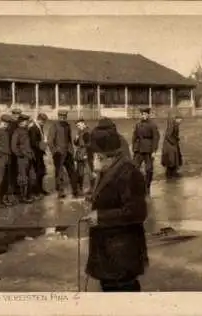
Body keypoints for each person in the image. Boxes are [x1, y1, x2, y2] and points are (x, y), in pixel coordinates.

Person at [82, 120, 149, 292]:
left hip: (121, 257)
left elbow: (137, 212)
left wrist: (100, 217)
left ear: (101, 156)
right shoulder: (109, 170)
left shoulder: (128, 173)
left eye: (92, 156)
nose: (90, 161)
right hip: (110, 255)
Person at [47, 109, 79, 199]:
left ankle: (75, 190)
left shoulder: (67, 126)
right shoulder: (54, 126)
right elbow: (50, 141)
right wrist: (54, 152)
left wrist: (71, 150)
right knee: (59, 173)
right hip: (59, 153)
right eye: (61, 116)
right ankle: (60, 191)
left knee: (72, 171)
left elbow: (69, 139)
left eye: (64, 117)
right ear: (58, 116)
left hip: (68, 152)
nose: (63, 118)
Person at [131, 108, 160, 195]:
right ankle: (136, 185)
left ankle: (147, 186)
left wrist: (154, 151)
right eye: (142, 114)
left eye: (145, 114)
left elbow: (156, 138)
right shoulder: (138, 124)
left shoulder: (152, 125)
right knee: (134, 167)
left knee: (149, 169)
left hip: (148, 149)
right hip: (138, 149)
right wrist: (134, 148)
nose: (144, 116)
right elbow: (134, 136)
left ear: (148, 115)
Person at [11, 114, 34, 204]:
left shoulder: (26, 131)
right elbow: (14, 146)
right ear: (20, 123)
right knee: (23, 177)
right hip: (22, 158)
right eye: (25, 121)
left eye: (27, 121)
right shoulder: (17, 132)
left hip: (29, 157)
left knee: (30, 176)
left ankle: (27, 195)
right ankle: (22, 197)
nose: (26, 122)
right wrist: (20, 154)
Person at [28, 113, 49, 197]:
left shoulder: (39, 127)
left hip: (39, 153)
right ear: (39, 119)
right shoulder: (34, 128)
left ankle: (40, 189)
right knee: (37, 172)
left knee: (41, 172)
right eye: (43, 121)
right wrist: (43, 144)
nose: (44, 123)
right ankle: (36, 190)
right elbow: (33, 142)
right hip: (35, 153)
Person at [5, 108, 23, 204]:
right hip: (10, 152)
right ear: (12, 115)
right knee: (10, 174)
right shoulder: (10, 125)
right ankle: (10, 193)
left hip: (16, 152)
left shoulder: (17, 125)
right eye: (15, 115)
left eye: (18, 115)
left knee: (16, 172)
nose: (17, 116)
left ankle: (16, 191)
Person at [73, 119, 94, 195]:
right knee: (79, 172)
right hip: (79, 153)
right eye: (77, 126)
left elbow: (90, 144)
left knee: (89, 171)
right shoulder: (79, 132)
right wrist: (76, 138)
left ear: (83, 124)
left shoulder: (88, 131)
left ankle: (92, 188)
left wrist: (86, 153)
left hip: (87, 153)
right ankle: (80, 189)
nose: (78, 127)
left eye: (78, 125)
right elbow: (76, 143)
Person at [161, 114, 183, 180]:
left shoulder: (175, 125)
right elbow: (168, 135)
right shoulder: (172, 125)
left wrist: (176, 139)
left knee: (174, 158)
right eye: (180, 120)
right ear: (176, 119)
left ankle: (173, 173)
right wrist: (174, 142)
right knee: (171, 159)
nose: (180, 121)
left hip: (172, 143)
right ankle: (169, 174)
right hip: (169, 144)